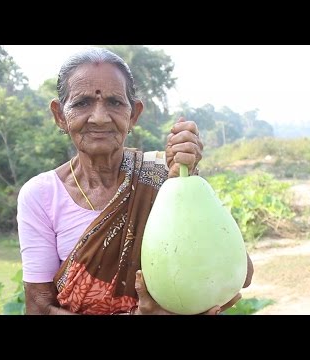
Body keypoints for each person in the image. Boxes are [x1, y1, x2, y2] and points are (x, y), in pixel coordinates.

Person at [17, 47, 253, 315]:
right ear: (60, 115)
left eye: (115, 102)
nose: (99, 117)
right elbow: (38, 308)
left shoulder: (162, 176)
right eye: (82, 103)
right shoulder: (40, 195)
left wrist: (184, 182)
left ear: (134, 114)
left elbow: (240, 274)